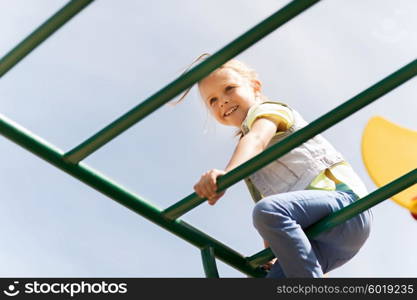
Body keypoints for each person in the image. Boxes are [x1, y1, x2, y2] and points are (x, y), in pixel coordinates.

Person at [173, 54, 372, 278]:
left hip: (343, 206)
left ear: (255, 87)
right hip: (319, 239)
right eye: (213, 100)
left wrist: (227, 175)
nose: (223, 101)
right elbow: (272, 219)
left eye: (229, 89)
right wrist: (272, 254)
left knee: (268, 211)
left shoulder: (268, 111)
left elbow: (257, 139)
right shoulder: (251, 163)